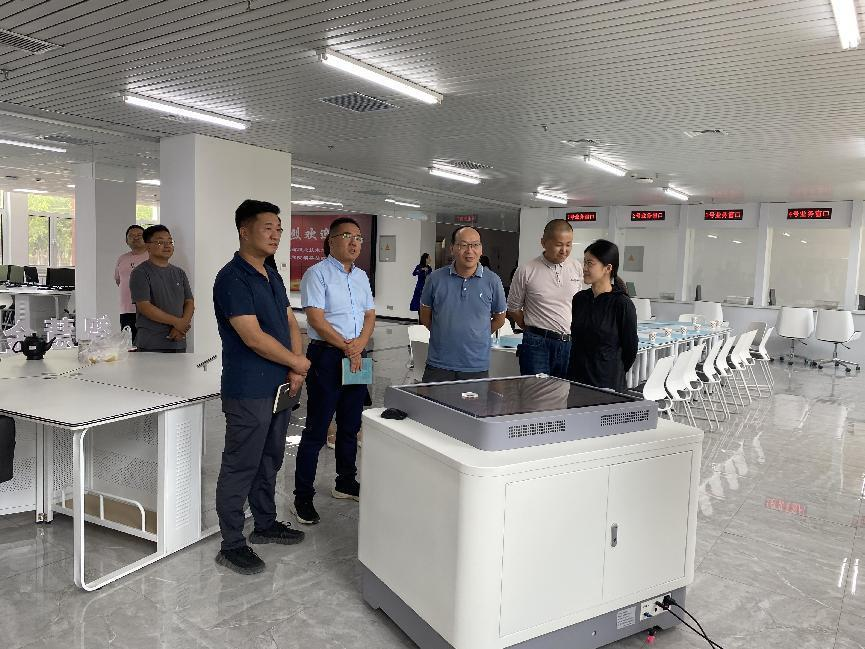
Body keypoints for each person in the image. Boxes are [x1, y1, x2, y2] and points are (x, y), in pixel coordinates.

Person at [212, 199, 311, 575]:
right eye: (268, 227)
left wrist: (296, 366)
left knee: (270, 458)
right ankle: (232, 544)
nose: (276, 234)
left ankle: (265, 524)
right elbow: (252, 337)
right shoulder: (232, 278)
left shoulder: (272, 273)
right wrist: (296, 363)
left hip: (280, 385)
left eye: (279, 228)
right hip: (248, 388)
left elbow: (289, 321)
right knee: (241, 464)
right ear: (244, 230)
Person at [292, 217, 375, 525]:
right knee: (317, 429)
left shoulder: (362, 276)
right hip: (327, 356)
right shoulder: (317, 273)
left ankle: (345, 482)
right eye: (347, 236)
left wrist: (359, 346)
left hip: (357, 356)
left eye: (359, 238)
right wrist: (348, 348)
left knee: (350, 425)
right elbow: (316, 319)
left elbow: (370, 315)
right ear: (331, 240)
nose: (354, 242)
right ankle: (302, 496)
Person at [419, 226, 507, 381]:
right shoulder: (435, 279)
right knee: (433, 398)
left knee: (475, 399)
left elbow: (499, 319)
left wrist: (477, 334)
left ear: (481, 249)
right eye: (463, 245)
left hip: (476, 365)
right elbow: (425, 316)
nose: (469, 251)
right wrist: (443, 332)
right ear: (452, 248)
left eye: (475, 245)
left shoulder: (493, 281)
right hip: (439, 364)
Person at [507, 219, 583, 378]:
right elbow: (513, 308)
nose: (564, 250)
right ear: (543, 242)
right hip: (537, 343)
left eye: (569, 245)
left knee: (564, 390)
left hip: (568, 343)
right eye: (558, 244)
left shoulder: (576, 267)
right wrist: (532, 328)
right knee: (536, 390)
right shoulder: (526, 270)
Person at [568, 239, 638, 391]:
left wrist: (611, 370)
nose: (584, 268)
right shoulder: (580, 299)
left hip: (607, 384)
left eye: (590, 263)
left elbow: (630, 350)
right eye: (584, 263)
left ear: (608, 268)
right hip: (577, 381)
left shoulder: (622, 304)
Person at [129, 225, 195, 353]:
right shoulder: (140, 272)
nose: (167, 245)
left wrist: (181, 326)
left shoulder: (179, 272)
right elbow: (144, 306)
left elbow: (189, 302)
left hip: (178, 341)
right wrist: (177, 322)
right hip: (151, 344)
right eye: (160, 242)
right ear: (147, 246)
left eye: (170, 241)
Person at [114, 225, 148, 343]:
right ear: (126, 241)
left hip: (148, 310)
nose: (135, 238)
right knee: (128, 345)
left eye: (139, 235)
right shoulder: (122, 258)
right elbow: (118, 280)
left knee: (146, 345)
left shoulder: (152, 256)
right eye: (131, 236)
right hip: (126, 310)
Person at [409, 253, 432, 317]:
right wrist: (421, 269)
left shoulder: (429, 268)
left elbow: (430, 277)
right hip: (420, 287)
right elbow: (414, 273)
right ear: (425, 259)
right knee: (419, 303)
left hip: (427, 287)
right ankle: (420, 319)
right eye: (429, 258)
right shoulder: (419, 266)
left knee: (426, 303)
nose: (430, 259)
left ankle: (426, 319)